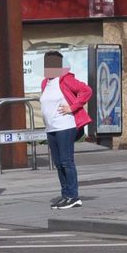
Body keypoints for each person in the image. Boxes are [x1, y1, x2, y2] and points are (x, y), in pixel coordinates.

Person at [37, 51, 92, 210]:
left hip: (65, 126)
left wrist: (72, 107)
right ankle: (65, 195)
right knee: (58, 163)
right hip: (51, 128)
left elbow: (86, 91)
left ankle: (73, 196)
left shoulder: (66, 79)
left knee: (67, 161)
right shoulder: (45, 82)